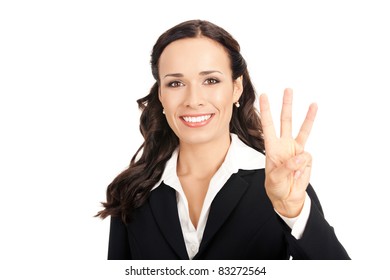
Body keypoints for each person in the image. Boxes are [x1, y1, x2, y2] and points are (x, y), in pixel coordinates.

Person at [96, 19, 350, 260]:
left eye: (211, 80)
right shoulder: (131, 192)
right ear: (161, 94)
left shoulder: (280, 181)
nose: (193, 100)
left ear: (236, 88)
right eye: (175, 83)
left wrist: (293, 211)